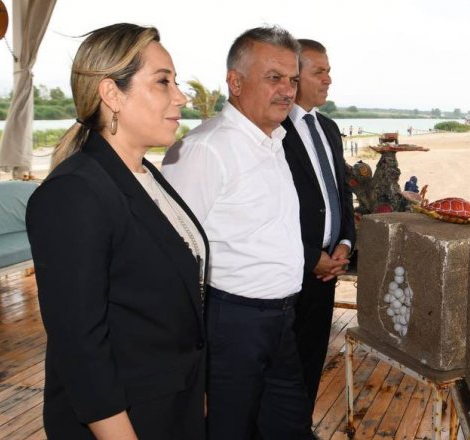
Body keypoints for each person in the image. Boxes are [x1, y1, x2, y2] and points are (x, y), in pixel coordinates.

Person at [26, 23, 207, 439]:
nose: (180, 96)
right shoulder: (74, 193)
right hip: (123, 422)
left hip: (169, 408)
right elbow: (80, 348)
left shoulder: (147, 176)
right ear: (112, 94)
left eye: (176, 82)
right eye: (163, 82)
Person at [161, 25, 312, 439]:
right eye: (274, 77)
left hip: (281, 320)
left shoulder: (274, 140)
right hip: (231, 323)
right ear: (235, 82)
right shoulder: (205, 149)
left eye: (293, 80)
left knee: (291, 427)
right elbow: (171, 255)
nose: (287, 90)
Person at [281, 39, 355, 414]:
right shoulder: (273, 132)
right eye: (319, 71)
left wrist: (345, 242)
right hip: (290, 273)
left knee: (312, 361)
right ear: (295, 78)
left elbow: (342, 192)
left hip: (328, 273)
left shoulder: (328, 128)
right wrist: (311, 257)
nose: (329, 79)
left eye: (328, 70)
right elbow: (272, 211)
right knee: (282, 369)